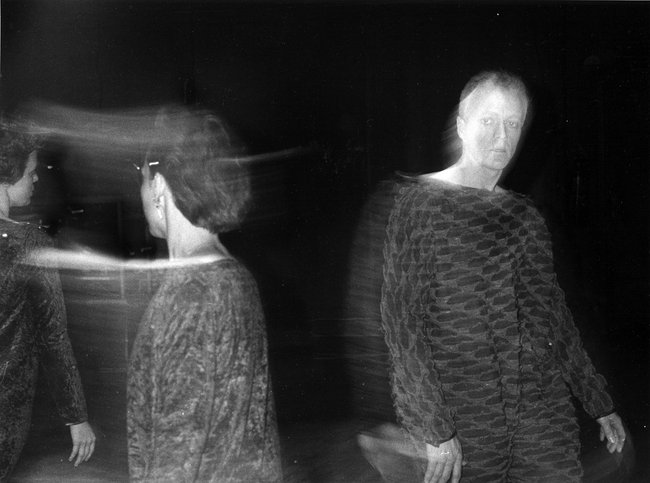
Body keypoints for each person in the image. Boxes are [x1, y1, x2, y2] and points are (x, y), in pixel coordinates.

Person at [379, 70, 626, 482]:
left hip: (540, 417)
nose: (501, 137)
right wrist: (435, 429)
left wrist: (598, 402)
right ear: (462, 126)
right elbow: (402, 326)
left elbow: (552, 316)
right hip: (465, 421)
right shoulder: (419, 207)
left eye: (512, 123)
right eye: (488, 121)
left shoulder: (523, 216)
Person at [127, 108, 282, 482]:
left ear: (159, 186)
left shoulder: (191, 295)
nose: (141, 190)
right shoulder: (235, 277)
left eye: (142, 177)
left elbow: (175, 454)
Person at [0, 124, 95, 480]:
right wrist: (77, 417)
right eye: (30, 172)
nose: (36, 179)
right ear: (6, 176)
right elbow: (53, 336)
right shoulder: (30, 245)